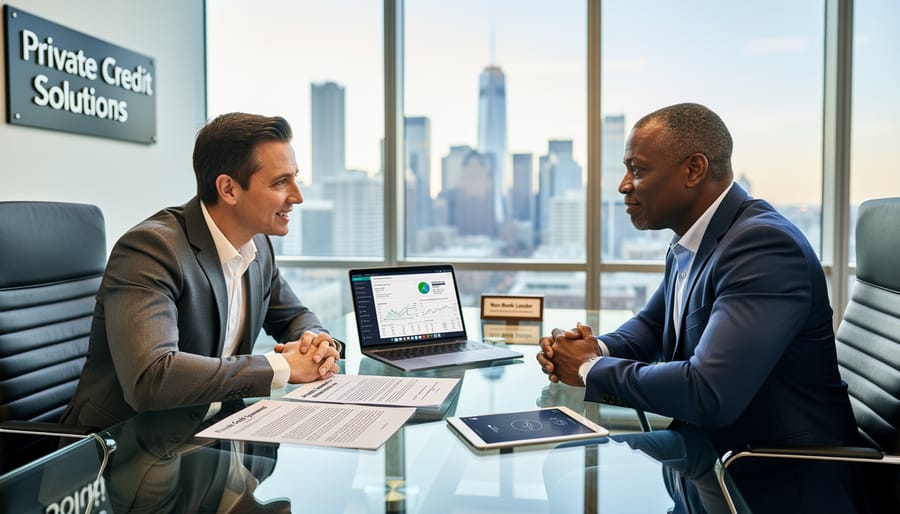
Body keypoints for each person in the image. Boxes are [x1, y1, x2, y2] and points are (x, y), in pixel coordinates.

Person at [537, 103, 864, 513]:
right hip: (711, 456)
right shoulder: (690, 242)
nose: (623, 185)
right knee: (564, 462)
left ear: (693, 170)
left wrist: (587, 369)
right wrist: (591, 350)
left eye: (637, 170)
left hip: (770, 475)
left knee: (569, 467)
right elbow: (653, 327)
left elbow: (708, 392)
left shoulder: (762, 247)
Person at [61, 112, 340, 430]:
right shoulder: (151, 249)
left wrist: (316, 344)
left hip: (212, 435)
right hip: (117, 451)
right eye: (280, 182)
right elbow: (152, 378)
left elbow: (293, 316)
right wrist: (282, 367)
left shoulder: (258, 246)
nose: (297, 196)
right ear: (229, 189)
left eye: (295, 177)